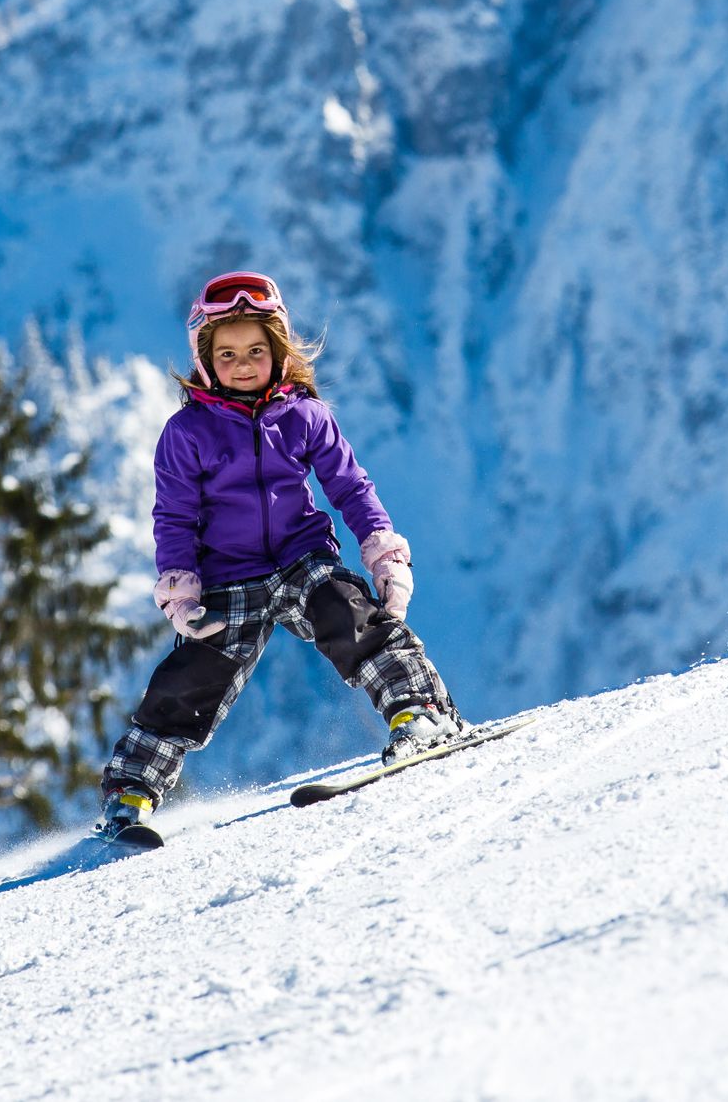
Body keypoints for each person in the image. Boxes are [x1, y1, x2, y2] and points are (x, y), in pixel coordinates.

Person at [94, 270, 461, 838]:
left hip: (301, 556)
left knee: (349, 614)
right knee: (193, 676)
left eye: (256, 351)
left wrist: (383, 553)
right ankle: (131, 792)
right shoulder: (187, 433)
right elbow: (174, 516)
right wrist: (181, 590)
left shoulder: (305, 416)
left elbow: (351, 488)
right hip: (229, 575)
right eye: (227, 354)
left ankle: (419, 713)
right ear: (205, 361)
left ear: (279, 351)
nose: (243, 365)